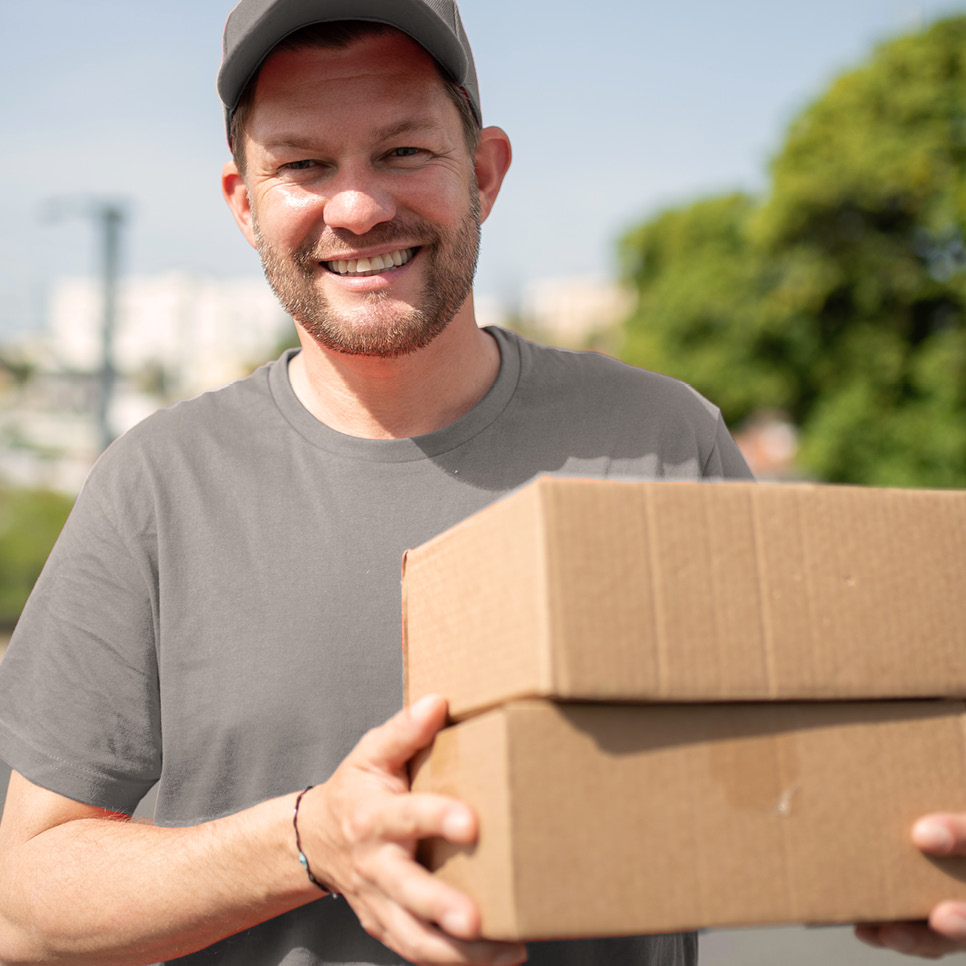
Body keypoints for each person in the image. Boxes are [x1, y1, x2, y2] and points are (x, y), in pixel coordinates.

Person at [0, 1, 957, 964]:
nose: (359, 207)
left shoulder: (663, 439)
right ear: (244, 203)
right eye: (302, 165)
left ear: (486, 172)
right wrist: (305, 841)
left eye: (406, 151)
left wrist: (910, 853)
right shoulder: (156, 487)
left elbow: (811, 769)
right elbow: (25, 908)